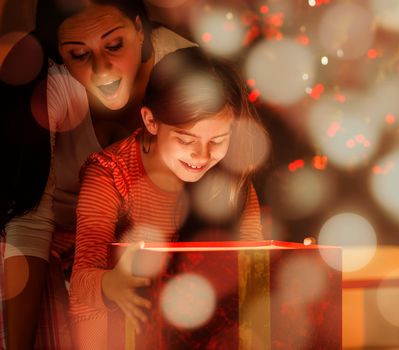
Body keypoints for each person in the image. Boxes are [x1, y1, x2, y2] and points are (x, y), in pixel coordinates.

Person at [1, 0, 196, 348]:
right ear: (59, 52)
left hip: (148, 240)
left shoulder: (188, 71)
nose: (102, 69)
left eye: (114, 45)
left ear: (139, 29)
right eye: (79, 54)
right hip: (48, 239)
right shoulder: (45, 83)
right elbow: (28, 224)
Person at [70, 46, 263, 349]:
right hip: (131, 332)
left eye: (218, 140)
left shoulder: (232, 178)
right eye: (186, 139)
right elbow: (82, 283)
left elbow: (254, 265)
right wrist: (109, 284)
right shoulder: (110, 174)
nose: (202, 155)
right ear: (151, 120)